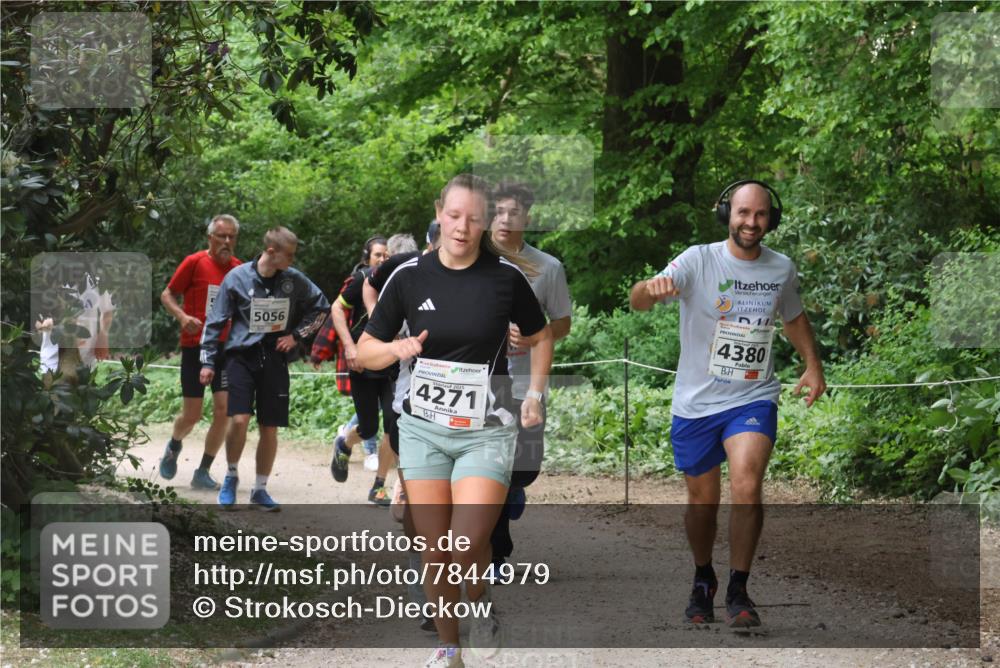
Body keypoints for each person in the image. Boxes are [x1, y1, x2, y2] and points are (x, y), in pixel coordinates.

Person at [357, 174, 553, 667]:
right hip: (423, 430)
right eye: (454, 215)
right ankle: (450, 649)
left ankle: (480, 601)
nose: (462, 227)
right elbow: (365, 350)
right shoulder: (406, 276)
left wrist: (533, 393)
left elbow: (542, 335)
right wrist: (394, 348)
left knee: (465, 545)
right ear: (439, 213)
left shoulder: (506, 277)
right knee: (433, 547)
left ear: (485, 223)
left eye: (473, 218)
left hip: (484, 431)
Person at [629, 180, 826, 630]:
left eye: (759, 215)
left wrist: (813, 365)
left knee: (747, 484)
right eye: (742, 213)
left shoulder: (781, 268)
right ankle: (704, 578)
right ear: (726, 214)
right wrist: (650, 288)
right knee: (702, 504)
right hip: (696, 402)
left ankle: (739, 586)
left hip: (751, 397)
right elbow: (639, 300)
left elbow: (793, 317)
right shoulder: (699, 260)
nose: (751, 223)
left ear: (770, 219)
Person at [201, 226, 329, 511]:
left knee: (269, 427)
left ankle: (260, 489)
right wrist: (208, 361)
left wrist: (296, 335)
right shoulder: (237, 278)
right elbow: (215, 321)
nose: (293, 261)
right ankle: (231, 476)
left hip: (273, 358)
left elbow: (322, 308)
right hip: (240, 358)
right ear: (271, 252)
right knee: (239, 420)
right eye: (289, 255)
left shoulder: (293, 280)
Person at [487, 181, 572, 574]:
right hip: (477, 383)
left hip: (525, 382)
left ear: (527, 218)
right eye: (499, 211)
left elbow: (563, 323)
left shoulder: (547, 267)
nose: (505, 220)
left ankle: (513, 493)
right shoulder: (472, 258)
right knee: (489, 467)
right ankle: (495, 550)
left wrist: (538, 334)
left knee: (521, 470)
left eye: (514, 213)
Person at [158, 214, 241, 490]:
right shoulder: (194, 263)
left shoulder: (239, 269)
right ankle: (174, 444)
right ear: (210, 237)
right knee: (191, 415)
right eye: (221, 236)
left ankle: (202, 471)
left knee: (225, 410)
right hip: (196, 346)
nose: (227, 241)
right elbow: (167, 295)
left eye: (231, 237)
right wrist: (183, 318)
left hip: (226, 349)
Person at [329, 235, 398, 504]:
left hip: (392, 366)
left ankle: (379, 486)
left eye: (386, 255)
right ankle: (344, 443)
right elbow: (336, 308)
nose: (382, 259)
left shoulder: (400, 280)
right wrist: (349, 347)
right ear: (368, 258)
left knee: (393, 425)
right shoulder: (362, 280)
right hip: (363, 364)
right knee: (368, 428)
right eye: (378, 255)